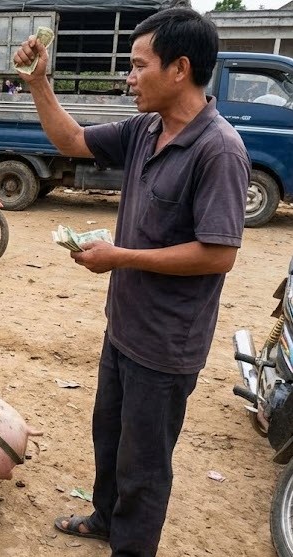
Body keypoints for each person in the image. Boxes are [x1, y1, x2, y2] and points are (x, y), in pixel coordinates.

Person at [13, 9, 248, 555]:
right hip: (123, 329)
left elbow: (218, 254)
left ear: (179, 69)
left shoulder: (220, 150)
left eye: (139, 65)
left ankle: (131, 547)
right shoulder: (146, 128)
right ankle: (104, 518)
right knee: (111, 440)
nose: (129, 76)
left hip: (166, 346)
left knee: (144, 464)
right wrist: (39, 81)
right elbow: (70, 139)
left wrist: (121, 256)